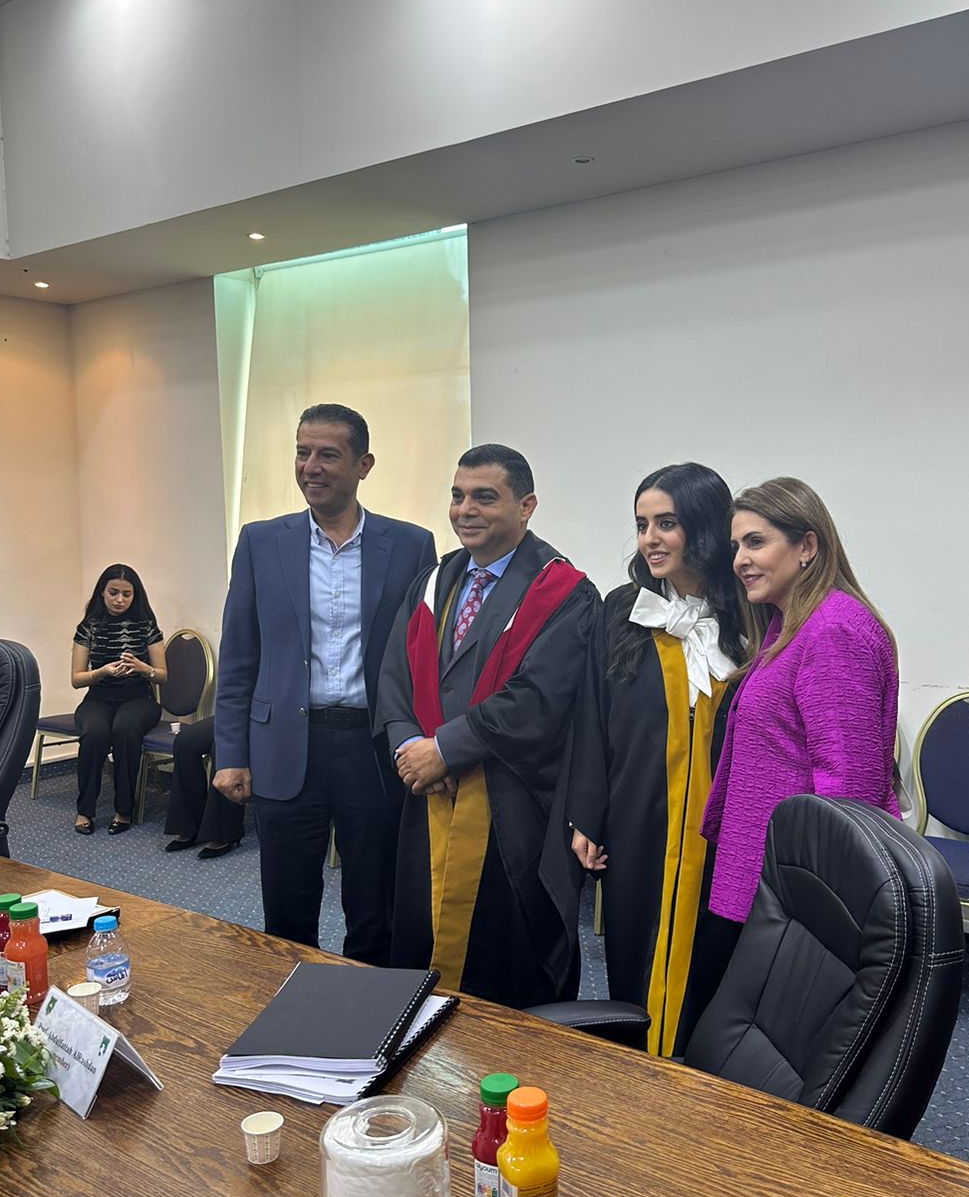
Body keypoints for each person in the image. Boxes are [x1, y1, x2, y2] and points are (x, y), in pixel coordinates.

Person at [376, 443, 599, 1008]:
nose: (465, 510)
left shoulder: (563, 592)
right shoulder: (435, 581)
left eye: (484, 497)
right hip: (428, 799)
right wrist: (410, 746)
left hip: (511, 809)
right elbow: (394, 675)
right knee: (418, 939)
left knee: (503, 969)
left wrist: (444, 750)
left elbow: (538, 699)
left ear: (526, 506)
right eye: (457, 496)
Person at [213, 403, 436, 962]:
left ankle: (373, 1004)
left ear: (364, 465)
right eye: (302, 453)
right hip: (286, 746)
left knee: (377, 904)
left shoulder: (410, 546)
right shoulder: (261, 542)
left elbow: (423, 661)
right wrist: (231, 753)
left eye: (328, 455)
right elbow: (239, 657)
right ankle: (294, 1000)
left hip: (374, 747)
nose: (311, 467)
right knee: (286, 906)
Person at [565, 462, 749, 1056]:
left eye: (666, 523)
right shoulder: (624, 610)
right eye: (642, 524)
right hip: (637, 818)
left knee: (717, 955)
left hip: (723, 830)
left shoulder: (750, 615)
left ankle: (701, 1072)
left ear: (705, 526)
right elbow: (591, 719)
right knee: (633, 942)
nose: (650, 539)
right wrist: (588, 816)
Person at [702, 477, 900, 924]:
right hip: (775, 862)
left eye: (755, 542)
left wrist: (823, 901)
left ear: (807, 546)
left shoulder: (833, 630)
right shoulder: (791, 623)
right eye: (736, 546)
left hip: (804, 883)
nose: (740, 560)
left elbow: (850, 787)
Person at [70, 564, 166, 835]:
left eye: (127, 594)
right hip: (98, 698)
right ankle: (85, 810)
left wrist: (142, 668)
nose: (119, 600)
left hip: (139, 699)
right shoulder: (88, 627)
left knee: (125, 730)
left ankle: (124, 810)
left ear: (135, 595)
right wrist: (101, 672)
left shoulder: (146, 626)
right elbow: (77, 679)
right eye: (113, 593)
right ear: (102, 592)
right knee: (94, 733)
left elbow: (162, 676)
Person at [163, 714, 244, 858]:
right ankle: (190, 825)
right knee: (185, 740)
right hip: (236, 712)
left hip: (265, 718)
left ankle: (224, 832)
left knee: (222, 745)